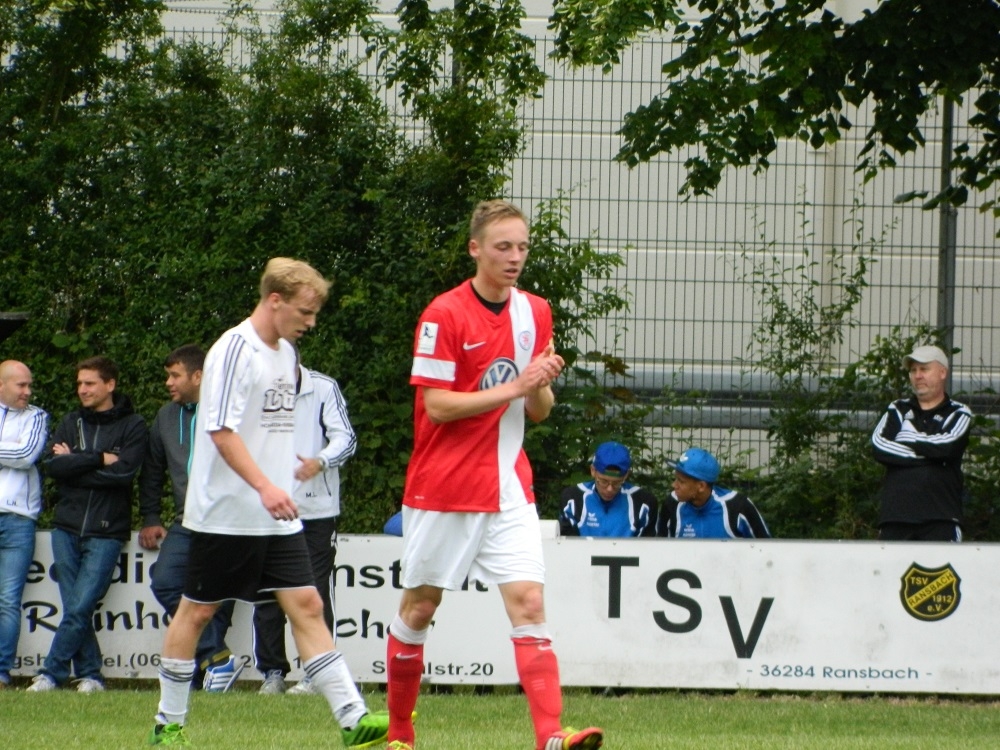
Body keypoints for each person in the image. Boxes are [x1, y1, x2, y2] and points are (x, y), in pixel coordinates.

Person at [385, 200, 604, 750]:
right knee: (420, 608)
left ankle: (551, 735)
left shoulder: (536, 312)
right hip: (445, 485)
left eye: (522, 247)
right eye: (503, 246)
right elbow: (437, 406)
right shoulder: (443, 314)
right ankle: (400, 732)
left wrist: (539, 383)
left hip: (508, 482)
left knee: (529, 603)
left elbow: (539, 410)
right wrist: (518, 384)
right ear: (475, 248)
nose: (515, 257)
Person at [149, 258, 387, 748]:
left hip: (275, 515)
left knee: (308, 604)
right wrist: (264, 485)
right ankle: (167, 724)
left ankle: (353, 720)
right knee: (196, 613)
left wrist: (288, 473)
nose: (311, 322)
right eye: (305, 311)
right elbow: (220, 431)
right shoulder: (234, 349)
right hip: (225, 513)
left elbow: (266, 427)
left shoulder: (286, 354)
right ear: (275, 300)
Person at [29, 356, 148, 692]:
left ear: (110, 384)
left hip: (106, 530)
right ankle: (91, 674)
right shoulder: (71, 421)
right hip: (66, 528)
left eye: (90, 383)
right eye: (79, 383)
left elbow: (123, 474)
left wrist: (75, 463)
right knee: (75, 607)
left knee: (80, 605)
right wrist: (97, 459)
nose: (82, 389)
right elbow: (55, 468)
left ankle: (51, 672)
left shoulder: (133, 425)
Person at [254, 354, 357, 696]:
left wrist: (321, 461)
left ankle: (318, 673)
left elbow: (346, 438)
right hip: (268, 507)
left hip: (316, 511)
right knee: (268, 593)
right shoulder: (257, 389)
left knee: (314, 591)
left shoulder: (324, 388)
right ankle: (272, 673)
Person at [138, 345, 238, 692]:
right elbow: (152, 471)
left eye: (174, 375)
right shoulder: (165, 417)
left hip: (228, 522)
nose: (168, 382)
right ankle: (217, 657)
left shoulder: (229, 412)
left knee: (216, 598)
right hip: (187, 521)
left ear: (198, 376)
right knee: (165, 581)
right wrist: (151, 515)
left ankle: (205, 677)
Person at [871, 345, 973, 541]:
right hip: (895, 519)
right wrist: (929, 456)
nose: (918, 376)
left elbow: (948, 446)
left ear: (942, 373)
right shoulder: (898, 409)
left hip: (941, 518)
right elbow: (879, 445)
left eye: (924, 369)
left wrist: (907, 438)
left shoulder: (958, 412)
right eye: (913, 370)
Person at [0, 361, 48, 689]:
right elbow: (14, 453)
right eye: (21, 385)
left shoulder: (37, 416)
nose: (28, 392)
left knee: (7, 600)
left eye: (29, 385)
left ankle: (1, 672)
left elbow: (27, 455)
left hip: (19, 519)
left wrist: (15, 453)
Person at [657, 447, 770, 539]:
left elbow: (766, 549)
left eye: (681, 481)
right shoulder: (672, 504)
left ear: (701, 486)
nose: (674, 485)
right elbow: (660, 551)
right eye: (675, 479)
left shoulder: (737, 506)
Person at [558, 441, 657, 537]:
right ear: (593, 471)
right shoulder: (573, 499)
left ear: (626, 475)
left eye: (617, 483)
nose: (609, 489)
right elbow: (567, 543)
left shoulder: (644, 503)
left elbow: (646, 545)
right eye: (603, 481)